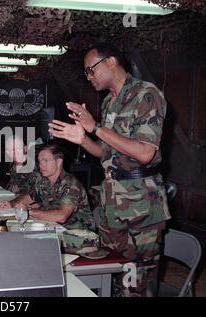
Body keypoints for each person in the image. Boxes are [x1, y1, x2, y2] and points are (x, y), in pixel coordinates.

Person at [48, 42, 170, 297]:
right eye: (87, 73)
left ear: (112, 61)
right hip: (112, 204)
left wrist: (94, 128)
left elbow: (145, 153)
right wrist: (82, 140)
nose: (89, 77)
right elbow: (106, 152)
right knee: (114, 275)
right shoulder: (108, 103)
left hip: (141, 206)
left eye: (91, 70)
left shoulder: (146, 95)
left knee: (138, 283)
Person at [0, 144, 93, 230]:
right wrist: (12, 204)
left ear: (59, 162)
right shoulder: (44, 181)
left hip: (78, 237)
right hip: (53, 227)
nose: (41, 165)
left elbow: (61, 216)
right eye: (39, 161)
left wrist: (29, 211)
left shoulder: (71, 184)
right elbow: (28, 197)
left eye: (45, 161)